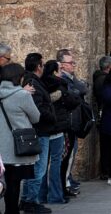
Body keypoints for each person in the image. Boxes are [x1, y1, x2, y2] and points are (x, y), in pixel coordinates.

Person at [0, 63, 41, 214]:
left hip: (1, 149)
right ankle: (12, 211)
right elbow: (36, 117)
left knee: (3, 182)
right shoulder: (22, 95)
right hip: (17, 147)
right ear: (18, 77)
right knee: (14, 183)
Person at [19, 54, 57, 213]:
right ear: (38, 67)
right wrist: (50, 116)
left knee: (34, 168)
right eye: (42, 65)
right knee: (39, 168)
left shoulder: (31, 81)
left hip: (40, 130)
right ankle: (30, 201)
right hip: (40, 131)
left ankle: (27, 200)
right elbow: (37, 109)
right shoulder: (32, 82)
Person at [41, 60, 82, 204]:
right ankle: (55, 195)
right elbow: (73, 100)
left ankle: (41, 195)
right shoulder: (60, 84)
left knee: (43, 164)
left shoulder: (39, 83)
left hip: (44, 129)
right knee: (57, 163)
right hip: (58, 128)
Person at [56, 49, 88, 196]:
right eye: (70, 63)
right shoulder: (62, 79)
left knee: (71, 154)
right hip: (67, 123)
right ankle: (65, 184)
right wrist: (76, 84)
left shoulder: (71, 78)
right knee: (66, 156)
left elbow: (83, 89)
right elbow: (74, 93)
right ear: (62, 65)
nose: (73, 65)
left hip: (74, 122)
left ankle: (68, 180)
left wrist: (74, 79)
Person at [93, 55, 111, 180]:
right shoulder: (103, 80)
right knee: (107, 145)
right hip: (105, 115)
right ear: (109, 67)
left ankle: (109, 169)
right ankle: (106, 170)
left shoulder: (103, 79)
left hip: (106, 115)